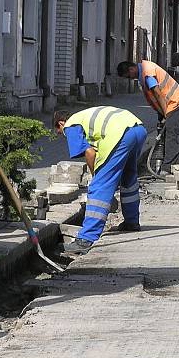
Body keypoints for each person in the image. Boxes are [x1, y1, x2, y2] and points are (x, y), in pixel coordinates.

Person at [54, 106, 147, 256]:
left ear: (60, 124)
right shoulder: (84, 115)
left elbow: (89, 152)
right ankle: (132, 222)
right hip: (138, 128)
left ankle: (85, 239)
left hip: (119, 134)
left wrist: (96, 177)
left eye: (60, 133)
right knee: (128, 178)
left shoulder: (70, 124)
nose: (63, 135)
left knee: (100, 185)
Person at [117, 60, 179, 173]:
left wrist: (166, 114)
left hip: (175, 102)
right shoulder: (144, 73)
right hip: (167, 104)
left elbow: (158, 94)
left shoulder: (148, 73)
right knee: (163, 133)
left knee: (172, 133)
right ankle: (162, 162)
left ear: (132, 69)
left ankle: (168, 167)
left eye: (129, 76)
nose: (131, 78)